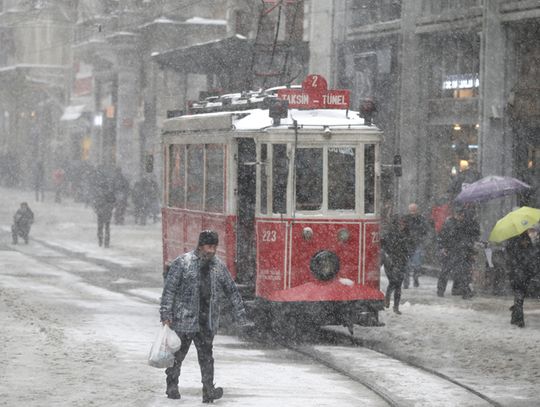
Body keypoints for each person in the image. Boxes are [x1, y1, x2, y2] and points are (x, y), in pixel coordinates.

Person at [160, 230, 248, 402]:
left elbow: (231, 290)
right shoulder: (182, 263)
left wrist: (241, 314)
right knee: (177, 356)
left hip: (206, 322)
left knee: (207, 357)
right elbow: (169, 290)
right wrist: (165, 314)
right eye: (209, 246)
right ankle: (172, 386)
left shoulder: (218, 266)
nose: (212, 250)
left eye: (215, 246)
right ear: (200, 246)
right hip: (184, 319)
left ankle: (208, 390)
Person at [437, 206, 480, 298]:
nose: (461, 217)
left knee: (463, 273)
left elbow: (470, 239)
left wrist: (472, 251)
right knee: (446, 271)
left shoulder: (467, 224)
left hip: (462, 251)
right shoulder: (449, 223)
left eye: (462, 215)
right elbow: (442, 236)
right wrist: (443, 248)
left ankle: (465, 292)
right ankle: (441, 291)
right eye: (459, 215)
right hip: (451, 251)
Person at [506, 228, 539, 328]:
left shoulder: (525, 238)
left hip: (523, 273)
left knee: (520, 296)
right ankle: (519, 320)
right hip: (518, 272)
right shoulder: (514, 240)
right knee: (519, 295)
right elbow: (512, 256)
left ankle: (515, 314)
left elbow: (531, 254)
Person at [381, 215, 412, 314]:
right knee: (394, 281)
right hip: (390, 260)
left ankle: (395, 306)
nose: (402, 225)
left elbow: (410, 246)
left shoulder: (407, 234)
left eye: (404, 223)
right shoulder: (390, 234)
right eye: (400, 223)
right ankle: (388, 299)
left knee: (398, 284)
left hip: (402, 260)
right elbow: (383, 245)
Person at [403, 203, 430, 288]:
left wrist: (421, 238)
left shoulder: (421, 219)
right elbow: (402, 230)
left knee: (417, 264)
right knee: (406, 264)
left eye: (414, 210)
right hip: (407, 244)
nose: (413, 212)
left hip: (417, 243)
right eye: (411, 210)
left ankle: (415, 278)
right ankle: (406, 282)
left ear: (417, 210)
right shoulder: (405, 219)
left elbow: (425, 230)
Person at [90, 166, 116, 248]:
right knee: (107, 227)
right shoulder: (109, 192)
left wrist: (96, 209)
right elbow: (113, 201)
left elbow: (95, 203)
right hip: (107, 212)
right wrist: (110, 208)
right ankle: (106, 242)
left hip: (100, 212)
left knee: (100, 227)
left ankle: (100, 240)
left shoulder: (98, 194)